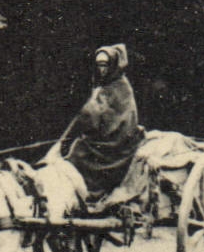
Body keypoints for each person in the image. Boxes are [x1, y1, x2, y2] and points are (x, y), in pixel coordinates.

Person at [56, 44, 145, 199]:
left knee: (78, 152)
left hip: (118, 143)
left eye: (105, 65)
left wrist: (69, 136)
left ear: (113, 65)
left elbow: (92, 115)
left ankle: (91, 194)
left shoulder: (120, 87)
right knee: (79, 145)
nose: (101, 69)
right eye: (98, 65)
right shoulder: (106, 86)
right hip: (107, 137)